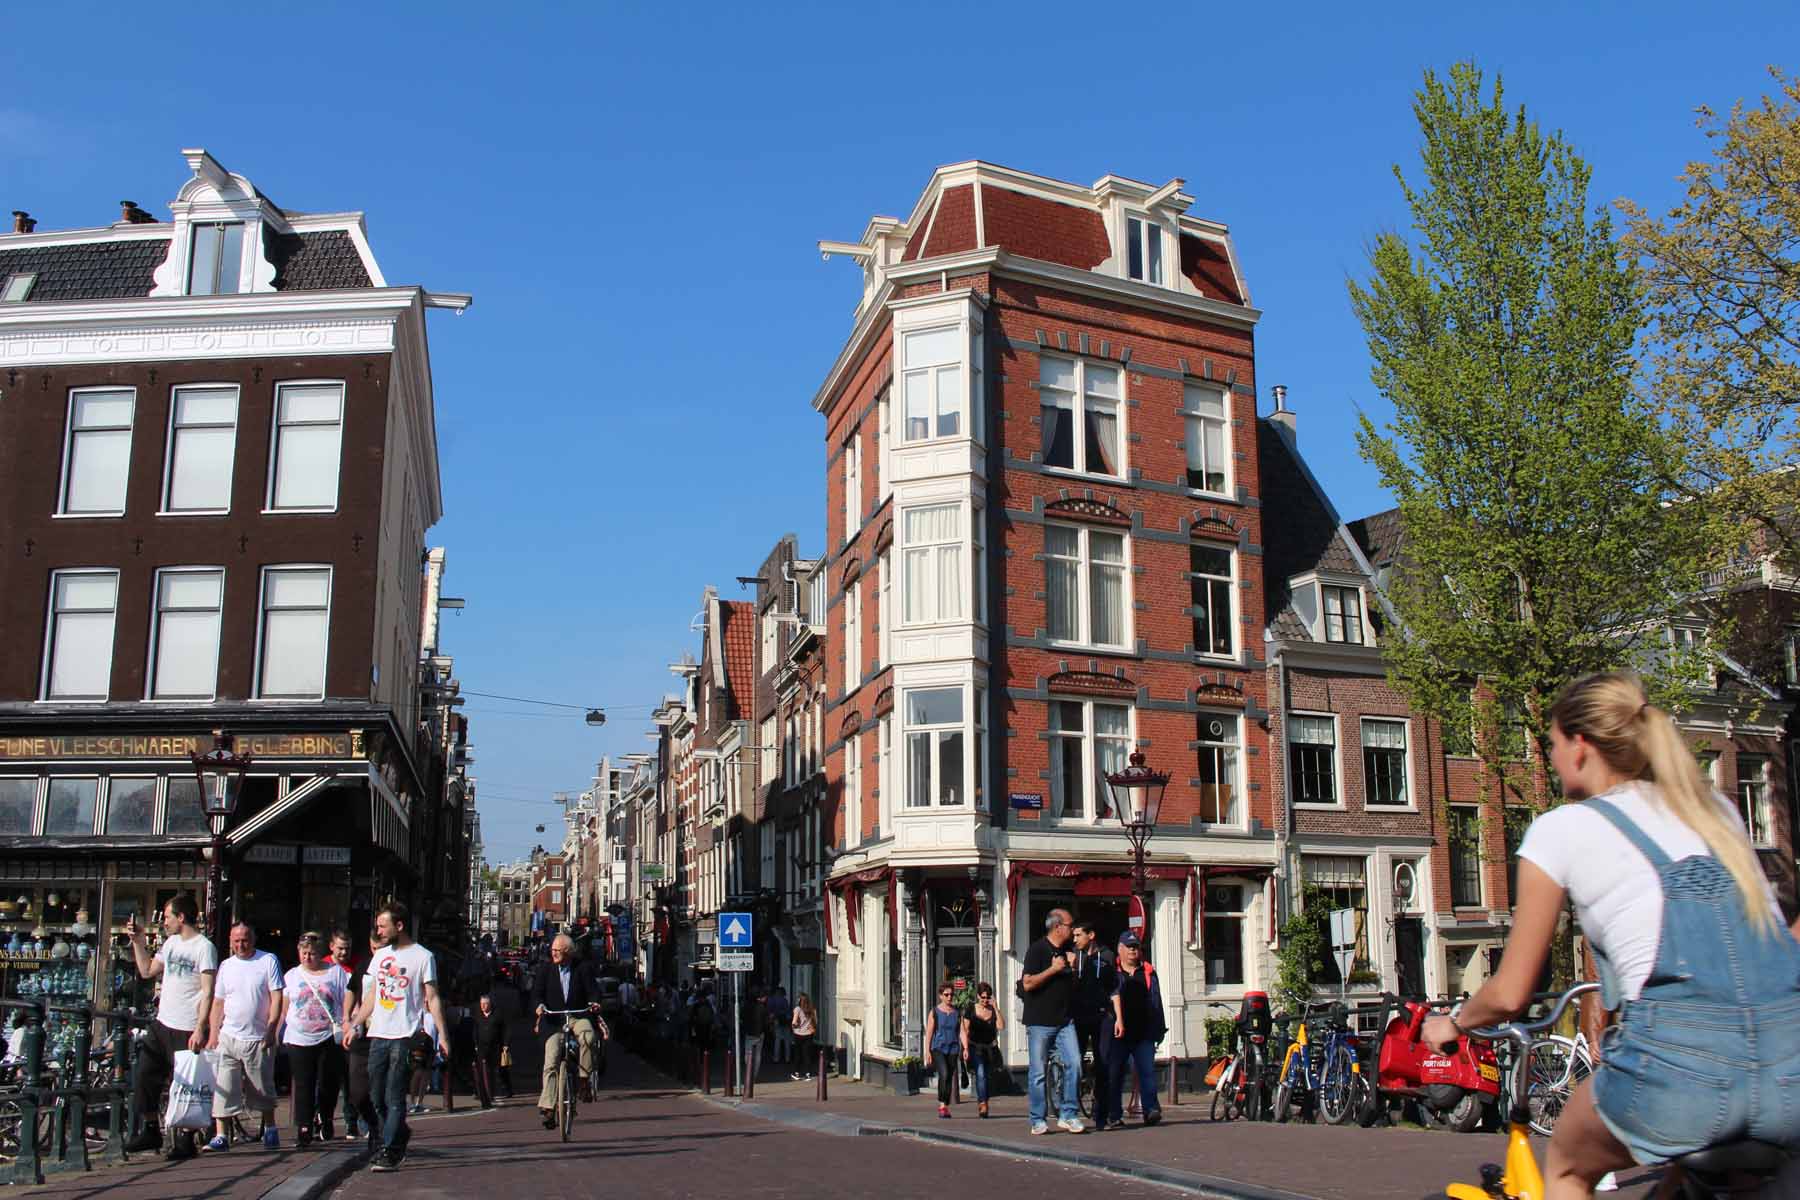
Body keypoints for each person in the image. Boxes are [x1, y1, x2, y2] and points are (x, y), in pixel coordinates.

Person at [1418, 672, 1800, 1200]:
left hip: (1677, 1073)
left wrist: (1453, 1024)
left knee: (1568, 1169)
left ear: (1580, 747)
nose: (1549, 758)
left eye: (1550, 744)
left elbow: (1509, 995)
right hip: (1789, 1069)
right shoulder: (1718, 813)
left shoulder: (1560, 830)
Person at [343, 902, 449, 1173]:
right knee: (375, 1095)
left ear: (398, 926)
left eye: (382, 925)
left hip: (405, 1035)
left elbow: (433, 998)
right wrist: (354, 1023)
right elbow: (372, 996)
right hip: (378, 1033)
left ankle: (390, 1151)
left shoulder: (423, 957)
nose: (378, 930)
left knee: (393, 1096)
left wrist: (443, 1036)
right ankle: (398, 1134)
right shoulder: (380, 956)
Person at [123, 894, 216, 1159]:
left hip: (186, 1025)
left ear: (181, 917)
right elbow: (146, 971)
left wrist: (201, 1027)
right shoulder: (171, 943)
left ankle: (187, 1139)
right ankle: (151, 1128)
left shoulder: (203, 947)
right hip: (163, 1021)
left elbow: (208, 991)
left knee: (185, 1083)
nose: (164, 922)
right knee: (144, 1075)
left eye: (167, 917)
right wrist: (138, 942)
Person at [204, 922, 286, 1152]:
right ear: (231, 941)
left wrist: (272, 1029)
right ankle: (221, 1135)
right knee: (225, 1085)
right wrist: (213, 1032)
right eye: (236, 941)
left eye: (245, 940)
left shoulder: (268, 960)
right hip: (229, 1035)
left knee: (262, 1087)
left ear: (253, 939)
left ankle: (270, 1128)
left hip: (257, 1036)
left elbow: (277, 997)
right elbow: (218, 1002)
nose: (241, 945)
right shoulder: (226, 966)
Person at [1019, 907, 1085, 1135]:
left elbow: (1072, 988)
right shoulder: (1036, 950)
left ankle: (1068, 1114)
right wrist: (1053, 969)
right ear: (1058, 927)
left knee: (1075, 1064)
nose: (1073, 929)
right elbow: (1027, 984)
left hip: (1065, 1021)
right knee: (1038, 1072)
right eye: (1070, 925)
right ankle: (1037, 1119)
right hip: (1040, 1022)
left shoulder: (1069, 951)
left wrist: (1073, 968)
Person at [530, 933, 604, 1128]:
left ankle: (583, 1080)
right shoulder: (545, 970)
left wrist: (595, 1002)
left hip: (577, 1016)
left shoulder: (583, 968)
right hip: (554, 1019)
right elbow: (536, 993)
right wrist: (538, 1005)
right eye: (552, 950)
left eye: (557, 950)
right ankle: (548, 1107)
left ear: (568, 952)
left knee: (588, 1037)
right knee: (551, 1059)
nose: (553, 953)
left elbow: (593, 990)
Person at [282, 932, 350, 1148]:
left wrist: (347, 1022)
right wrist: (278, 1031)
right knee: (303, 1083)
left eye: (312, 953)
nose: (308, 957)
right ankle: (304, 1126)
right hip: (299, 1036)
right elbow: (285, 1006)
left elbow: (345, 998)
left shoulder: (335, 973)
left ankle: (326, 1117)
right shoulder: (292, 975)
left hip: (328, 1035)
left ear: (321, 954)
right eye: (304, 953)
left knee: (328, 1081)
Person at [1107, 931, 1165, 1127]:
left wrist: (1159, 1028)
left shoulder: (1148, 972)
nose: (1133, 950)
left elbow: (1156, 1001)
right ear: (1120, 949)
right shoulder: (1112, 972)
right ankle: (1114, 1114)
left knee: (1147, 1072)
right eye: (1129, 946)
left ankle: (1151, 1111)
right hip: (1118, 1034)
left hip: (1143, 1032)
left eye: (1136, 947)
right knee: (1115, 1074)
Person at [1070, 921, 1118, 1131]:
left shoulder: (1107, 957)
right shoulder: (1073, 956)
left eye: (1078, 935)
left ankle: (1101, 1116)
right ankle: (1070, 1112)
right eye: (1073, 935)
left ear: (1091, 935)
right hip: (1079, 1016)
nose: (1075, 939)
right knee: (1075, 1062)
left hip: (1101, 1016)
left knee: (1103, 1064)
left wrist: (1119, 1018)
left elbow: (1114, 989)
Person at [339, 933, 381, 1149]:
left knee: (382, 1089)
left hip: (386, 1035)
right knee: (357, 1091)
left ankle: (383, 1134)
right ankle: (373, 1123)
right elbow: (351, 990)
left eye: (380, 948)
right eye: (373, 948)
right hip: (362, 1034)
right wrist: (347, 1018)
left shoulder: (395, 967)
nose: (377, 953)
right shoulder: (364, 966)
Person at [324, 930, 362, 1139]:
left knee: (350, 1079)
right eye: (340, 948)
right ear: (331, 946)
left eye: (347, 948)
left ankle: (351, 1122)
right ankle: (325, 1121)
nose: (343, 952)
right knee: (327, 1080)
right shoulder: (323, 966)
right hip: (326, 1031)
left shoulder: (356, 965)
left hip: (350, 1029)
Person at [961, 982, 1004, 1118]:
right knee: (980, 1074)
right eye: (983, 997)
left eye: (988, 997)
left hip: (990, 1049)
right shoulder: (971, 1009)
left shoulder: (992, 1010)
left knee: (987, 1076)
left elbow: (1001, 1026)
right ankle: (983, 1103)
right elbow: (965, 1029)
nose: (985, 1000)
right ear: (978, 996)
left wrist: (996, 1008)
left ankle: (984, 1100)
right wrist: (965, 1048)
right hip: (975, 1047)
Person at [924, 983, 963, 1118]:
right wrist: (927, 1051)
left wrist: (966, 1048)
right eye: (946, 995)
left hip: (953, 1048)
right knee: (944, 1074)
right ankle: (942, 1105)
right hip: (938, 1048)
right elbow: (929, 1032)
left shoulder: (957, 1013)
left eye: (951, 994)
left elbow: (961, 1031)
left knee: (949, 1077)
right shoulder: (934, 1012)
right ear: (941, 996)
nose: (949, 997)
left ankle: (945, 1104)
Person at [472, 993, 510, 1107]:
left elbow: (505, 1029)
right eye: (481, 1004)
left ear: (490, 1004)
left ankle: (497, 1091)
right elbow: (475, 1031)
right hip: (481, 1048)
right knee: (483, 1070)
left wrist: (505, 1044)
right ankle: (483, 1093)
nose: (483, 1006)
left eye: (485, 1004)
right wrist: (475, 1043)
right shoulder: (477, 1016)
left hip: (495, 1047)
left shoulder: (497, 1014)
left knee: (496, 1070)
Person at [739, 987, 770, 1086]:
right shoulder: (763, 1008)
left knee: (748, 1054)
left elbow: (741, 1017)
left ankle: (749, 1073)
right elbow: (766, 1022)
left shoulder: (746, 1006)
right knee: (757, 1056)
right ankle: (753, 1076)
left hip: (749, 1033)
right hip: (759, 1033)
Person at [789, 993, 819, 1080]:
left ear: (800, 1001)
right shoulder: (812, 1009)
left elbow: (794, 1023)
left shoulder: (797, 1009)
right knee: (807, 1055)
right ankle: (808, 1074)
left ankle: (796, 1073)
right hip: (809, 1034)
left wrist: (794, 1027)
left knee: (797, 1054)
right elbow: (816, 1022)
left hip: (798, 1034)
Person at [766, 985, 793, 1065]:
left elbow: (769, 1011)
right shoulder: (784, 1000)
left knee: (777, 1040)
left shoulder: (771, 1000)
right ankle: (787, 1058)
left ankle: (776, 1058)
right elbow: (788, 1012)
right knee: (787, 1041)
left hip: (776, 1021)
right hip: (785, 1021)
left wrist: (771, 1021)